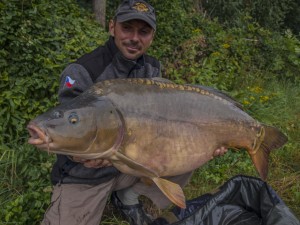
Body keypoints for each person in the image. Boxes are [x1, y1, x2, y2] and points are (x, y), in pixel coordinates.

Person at [41, 1, 227, 225]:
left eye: (144, 32)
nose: (134, 38)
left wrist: (207, 140)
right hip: (86, 175)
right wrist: (76, 155)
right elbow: (70, 120)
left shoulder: (151, 69)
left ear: (152, 36)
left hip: (130, 163)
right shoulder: (84, 70)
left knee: (189, 144)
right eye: (127, 28)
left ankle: (128, 197)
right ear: (112, 27)